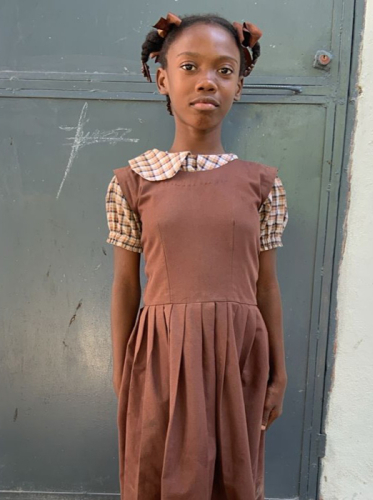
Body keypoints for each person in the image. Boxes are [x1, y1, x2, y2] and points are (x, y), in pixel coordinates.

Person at [105, 12, 289, 500]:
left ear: (238, 86)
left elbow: (266, 284)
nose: (207, 81)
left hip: (238, 353)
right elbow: (126, 285)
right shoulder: (132, 182)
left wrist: (279, 371)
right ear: (163, 79)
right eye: (189, 67)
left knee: (232, 475)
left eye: (224, 70)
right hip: (161, 355)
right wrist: (123, 372)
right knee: (157, 467)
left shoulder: (262, 184)